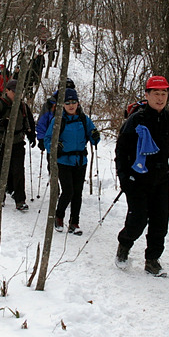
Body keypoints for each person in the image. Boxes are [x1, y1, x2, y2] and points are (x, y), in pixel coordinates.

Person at [114, 75, 169, 276]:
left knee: (160, 221)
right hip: (137, 178)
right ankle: (124, 246)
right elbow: (121, 150)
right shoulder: (136, 120)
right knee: (138, 220)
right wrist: (123, 176)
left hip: (160, 178)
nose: (160, 98)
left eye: (164, 93)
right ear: (147, 95)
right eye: (156, 93)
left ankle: (152, 260)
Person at [44, 88, 100, 234]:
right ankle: (59, 216)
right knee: (68, 191)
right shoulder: (58, 120)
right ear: (62, 104)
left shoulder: (84, 119)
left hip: (80, 161)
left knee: (78, 193)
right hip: (64, 161)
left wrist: (95, 135)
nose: (71, 105)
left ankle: (74, 223)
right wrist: (56, 146)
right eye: (67, 102)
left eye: (73, 102)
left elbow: (94, 137)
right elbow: (47, 139)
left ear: (78, 103)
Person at [0, 79, 36, 211]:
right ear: (7, 91)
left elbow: (27, 121)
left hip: (18, 141)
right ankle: (0, 197)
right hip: (1, 141)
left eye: (19, 91)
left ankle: (20, 200)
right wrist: (1, 122)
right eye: (14, 91)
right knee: (1, 169)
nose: (16, 94)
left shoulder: (23, 106)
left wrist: (31, 135)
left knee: (18, 171)